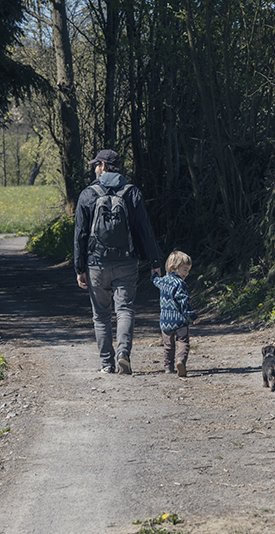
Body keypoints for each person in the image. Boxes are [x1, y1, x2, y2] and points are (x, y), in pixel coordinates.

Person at [74, 149, 162, 374]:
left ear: (103, 166)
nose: (95, 169)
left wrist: (79, 267)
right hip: (126, 262)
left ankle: (107, 363)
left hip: (96, 264)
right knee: (124, 309)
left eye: (96, 165)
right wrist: (154, 261)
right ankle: (123, 354)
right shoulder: (132, 193)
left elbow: (80, 234)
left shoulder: (88, 194)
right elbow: (144, 230)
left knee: (101, 315)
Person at [151, 251, 200, 377]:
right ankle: (180, 361)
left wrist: (154, 273)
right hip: (180, 321)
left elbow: (155, 280)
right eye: (185, 270)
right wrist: (193, 316)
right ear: (174, 268)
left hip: (165, 321)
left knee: (168, 346)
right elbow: (184, 301)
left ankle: (168, 367)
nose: (187, 273)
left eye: (188, 270)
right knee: (183, 342)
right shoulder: (180, 283)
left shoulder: (163, 281)